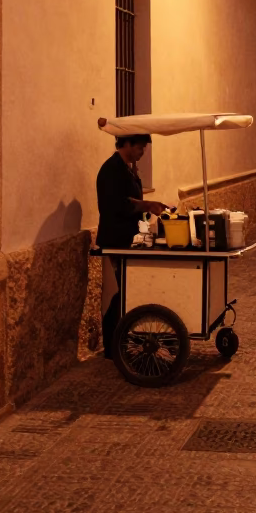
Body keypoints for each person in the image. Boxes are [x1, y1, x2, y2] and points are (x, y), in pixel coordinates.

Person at [96, 133, 170, 357]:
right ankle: (112, 342)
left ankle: (119, 340)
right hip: (117, 240)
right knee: (123, 292)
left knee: (128, 290)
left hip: (129, 237)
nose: (142, 152)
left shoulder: (127, 168)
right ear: (126, 144)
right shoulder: (111, 169)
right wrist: (147, 204)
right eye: (140, 147)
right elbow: (117, 204)